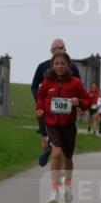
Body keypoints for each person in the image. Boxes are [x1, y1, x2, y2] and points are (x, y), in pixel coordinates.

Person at [36, 52, 90, 203]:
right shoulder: (47, 82)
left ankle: (67, 185)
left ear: (68, 65)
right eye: (56, 64)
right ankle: (54, 189)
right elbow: (40, 97)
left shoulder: (75, 83)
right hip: (52, 124)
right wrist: (40, 108)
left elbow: (87, 100)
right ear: (53, 66)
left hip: (69, 125)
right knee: (56, 153)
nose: (59, 66)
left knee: (67, 158)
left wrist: (78, 102)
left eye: (62, 64)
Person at [31, 39, 81, 167]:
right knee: (45, 136)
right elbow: (34, 86)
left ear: (65, 49)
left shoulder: (72, 67)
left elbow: (79, 87)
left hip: (66, 111)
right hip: (47, 109)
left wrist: (77, 101)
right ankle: (47, 150)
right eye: (55, 48)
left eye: (61, 47)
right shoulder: (42, 66)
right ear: (51, 51)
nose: (58, 50)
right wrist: (40, 101)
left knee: (63, 146)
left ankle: (62, 167)